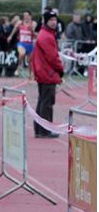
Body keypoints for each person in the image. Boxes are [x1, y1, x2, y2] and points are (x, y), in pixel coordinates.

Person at [31, 10, 63, 138]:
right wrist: (61, 70)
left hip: (44, 73)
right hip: (47, 74)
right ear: (45, 21)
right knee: (46, 103)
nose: (54, 22)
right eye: (51, 20)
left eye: (55, 20)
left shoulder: (45, 34)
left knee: (42, 102)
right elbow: (53, 57)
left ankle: (40, 129)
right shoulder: (47, 36)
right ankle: (44, 130)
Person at [7, 10, 36, 76]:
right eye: (24, 16)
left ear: (30, 16)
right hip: (21, 43)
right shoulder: (20, 23)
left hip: (30, 44)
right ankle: (19, 66)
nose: (25, 17)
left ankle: (30, 75)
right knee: (21, 54)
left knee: (30, 61)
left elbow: (35, 34)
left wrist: (31, 30)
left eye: (27, 15)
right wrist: (10, 36)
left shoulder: (33, 23)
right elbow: (14, 29)